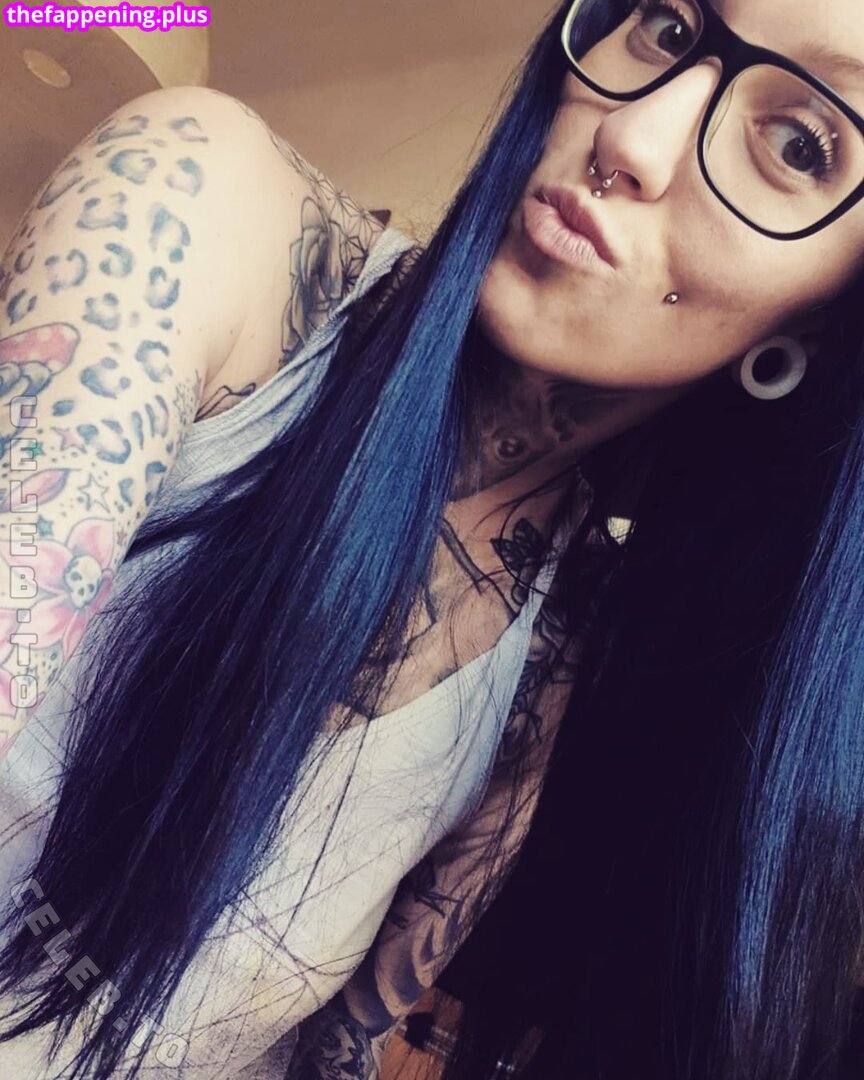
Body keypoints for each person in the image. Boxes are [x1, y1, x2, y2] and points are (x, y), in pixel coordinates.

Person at [0, 0, 862, 1076]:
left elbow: (326, 1051)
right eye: (669, 26)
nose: (632, 136)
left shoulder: (560, 671)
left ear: (824, 322)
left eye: (799, 144)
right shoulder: (209, 211)